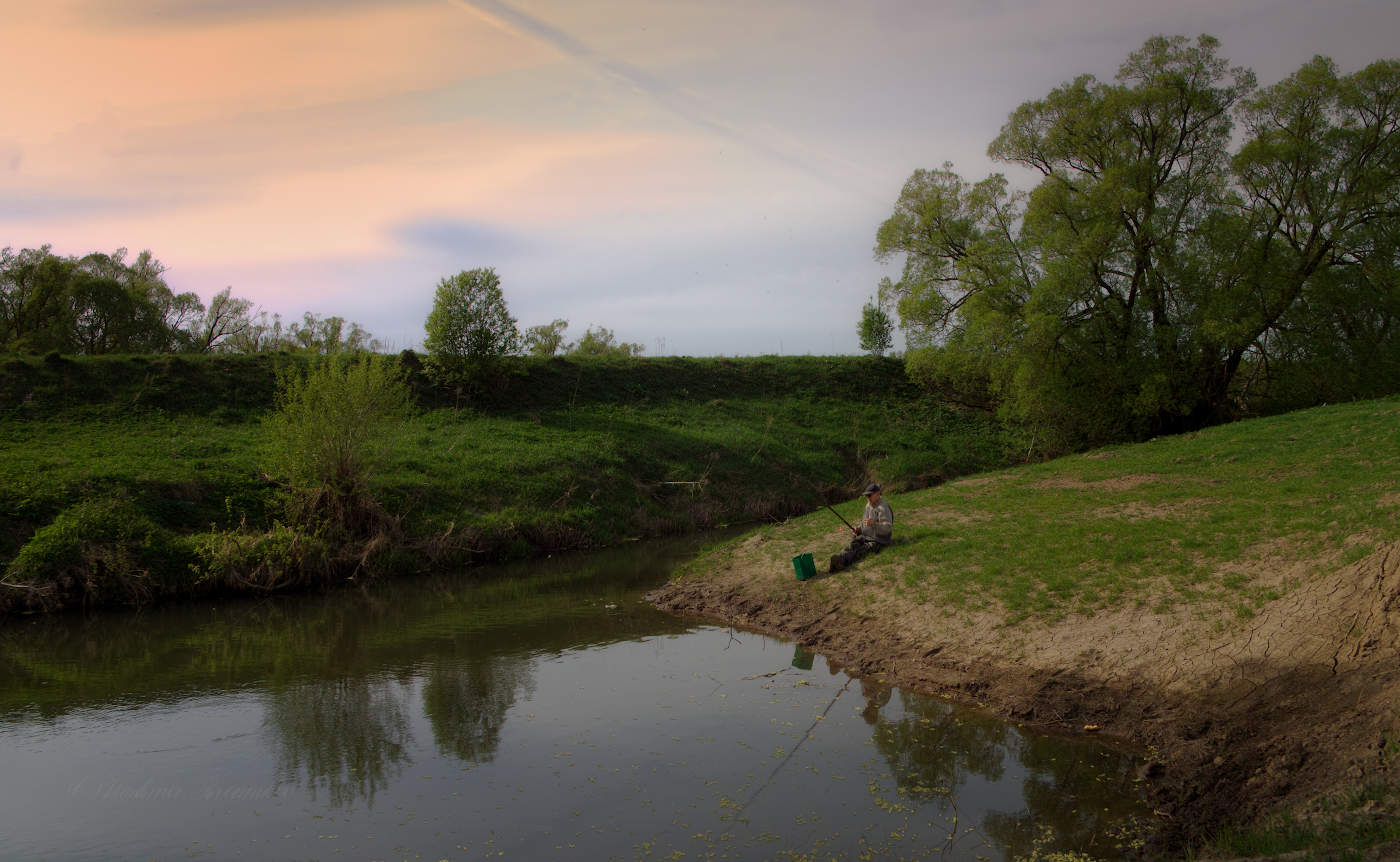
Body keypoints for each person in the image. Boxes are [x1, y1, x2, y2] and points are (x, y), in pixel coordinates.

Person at [828, 483, 893, 573]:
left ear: (878, 493)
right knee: (853, 544)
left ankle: (842, 562)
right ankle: (839, 559)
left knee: (862, 550)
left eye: (869, 495)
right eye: (866, 496)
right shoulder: (868, 506)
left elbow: (888, 528)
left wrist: (874, 524)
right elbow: (864, 523)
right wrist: (859, 529)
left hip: (879, 540)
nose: (868, 498)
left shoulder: (883, 507)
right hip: (867, 537)